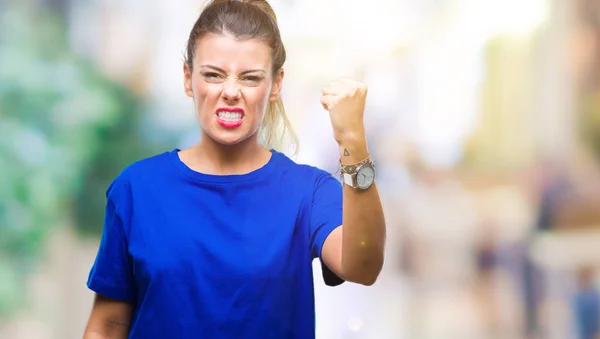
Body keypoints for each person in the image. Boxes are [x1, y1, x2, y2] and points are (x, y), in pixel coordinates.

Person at [82, 0, 386, 338]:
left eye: (250, 78)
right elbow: (108, 325)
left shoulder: (308, 192)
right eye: (213, 74)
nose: (230, 92)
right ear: (188, 78)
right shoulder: (136, 188)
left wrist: (353, 143)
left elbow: (363, 266)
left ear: (276, 84)